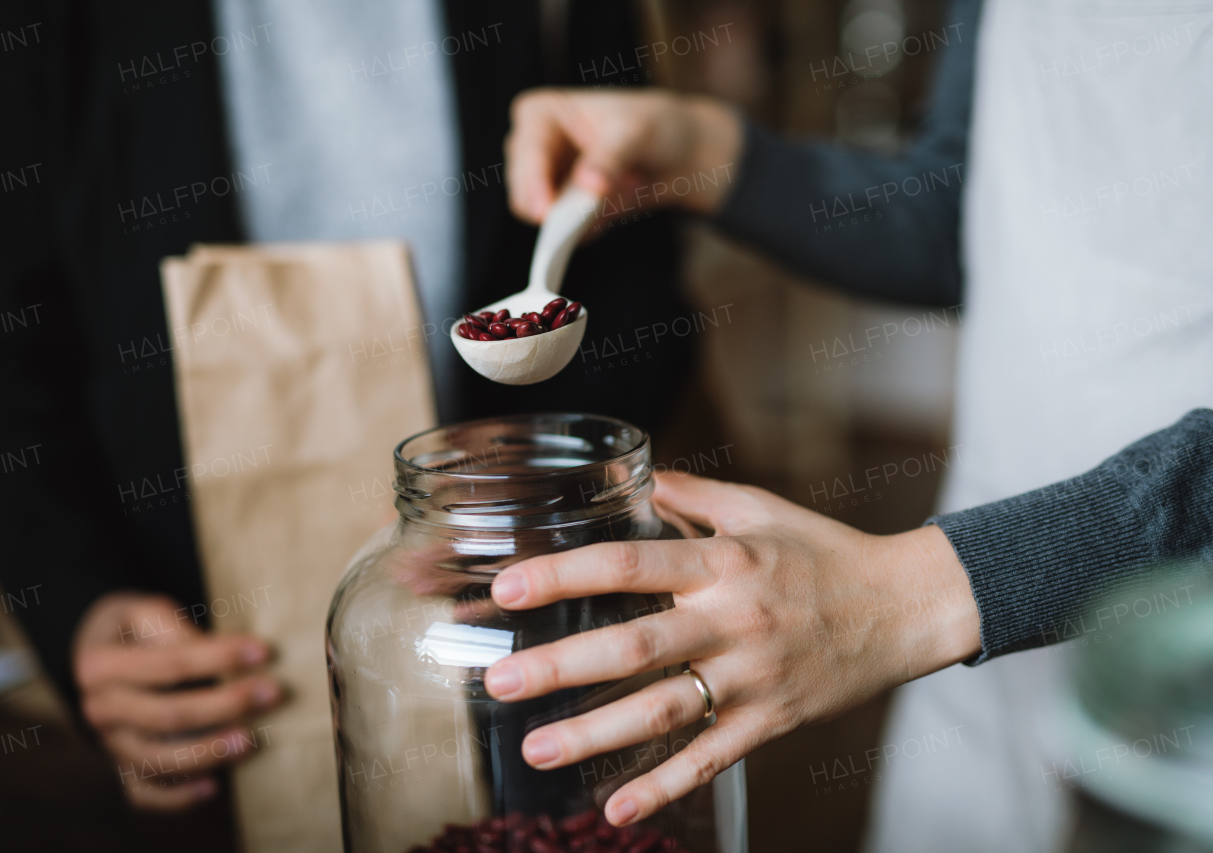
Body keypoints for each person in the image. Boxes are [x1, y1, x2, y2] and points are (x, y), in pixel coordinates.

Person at [487, 0, 1213, 847]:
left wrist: (922, 590)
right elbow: (970, 211)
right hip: (981, 641)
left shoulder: (930, 593)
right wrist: (705, 151)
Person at [0, 0, 693, 812]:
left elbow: (640, 293)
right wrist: (80, 610)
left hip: (530, 655)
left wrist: (546, 497)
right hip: (217, 687)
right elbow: (2, 369)